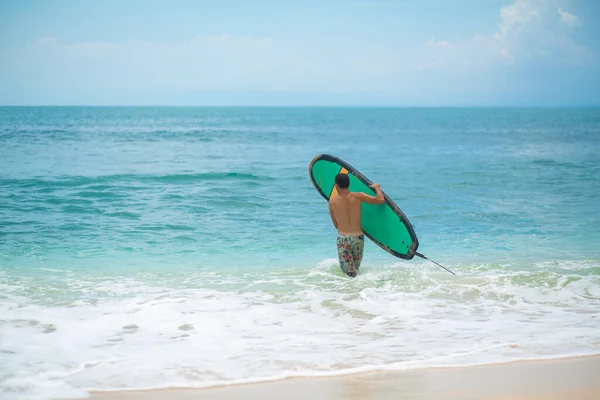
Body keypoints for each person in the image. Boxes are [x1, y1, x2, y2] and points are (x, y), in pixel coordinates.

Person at [328, 173, 384, 277]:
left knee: (349, 274)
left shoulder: (332, 201)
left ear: (336, 185)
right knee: (355, 271)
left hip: (343, 239)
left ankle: (349, 291)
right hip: (358, 238)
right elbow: (380, 200)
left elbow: (336, 225)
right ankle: (357, 291)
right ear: (349, 184)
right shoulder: (358, 196)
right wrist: (377, 188)